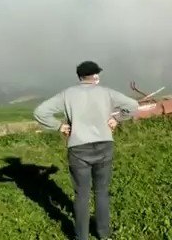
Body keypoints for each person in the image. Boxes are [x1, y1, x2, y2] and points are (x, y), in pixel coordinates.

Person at [33, 61, 140, 240]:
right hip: (104, 145)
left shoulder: (67, 94)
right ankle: (103, 234)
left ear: (79, 76)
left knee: (81, 195)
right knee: (101, 192)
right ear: (96, 75)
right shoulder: (107, 92)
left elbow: (39, 112)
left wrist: (59, 126)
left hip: (78, 148)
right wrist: (118, 119)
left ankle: (81, 236)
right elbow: (133, 105)